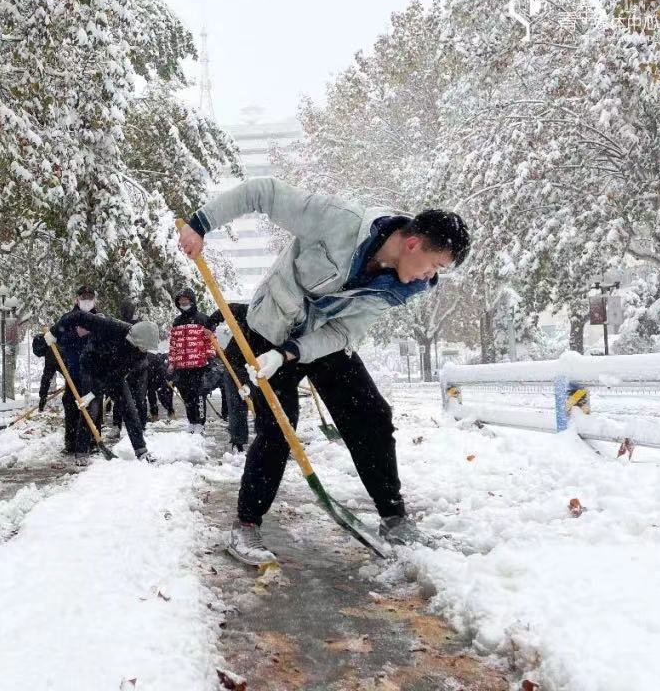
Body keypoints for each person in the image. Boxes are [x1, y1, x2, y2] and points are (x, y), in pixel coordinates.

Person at [178, 178, 471, 563]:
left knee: (371, 414)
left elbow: (344, 330)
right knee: (279, 427)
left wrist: (292, 353)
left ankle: (394, 519)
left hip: (318, 341)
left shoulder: (398, 286)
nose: (429, 277)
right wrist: (199, 224)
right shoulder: (338, 221)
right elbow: (262, 192)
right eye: (434, 266)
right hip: (270, 328)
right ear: (413, 244)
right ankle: (246, 525)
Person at [45, 309, 161, 461]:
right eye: (144, 346)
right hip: (91, 367)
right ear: (137, 338)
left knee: (129, 408)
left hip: (112, 372)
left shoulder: (139, 355)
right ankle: (81, 452)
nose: (145, 350)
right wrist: (54, 332)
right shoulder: (111, 326)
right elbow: (78, 316)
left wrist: (94, 392)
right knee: (91, 410)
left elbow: (116, 376)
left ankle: (141, 451)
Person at [54, 285, 99, 456]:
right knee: (72, 407)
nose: (86, 300)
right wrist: (76, 334)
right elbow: (60, 340)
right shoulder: (68, 318)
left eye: (89, 297)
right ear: (77, 299)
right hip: (73, 371)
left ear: (94, 300)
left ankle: (93, 440)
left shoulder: (100, 319)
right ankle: (71, 442)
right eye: (83, 297)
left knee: (93, 407)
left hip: (94, 371)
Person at [203, 302, 252, 454]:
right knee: (236, 404)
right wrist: (211, 323)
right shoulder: (251, 311)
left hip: (261, 366)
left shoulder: (285, 321)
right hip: (235, 364)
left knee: (266, 405)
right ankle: (238, 442)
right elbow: (228, 309)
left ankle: (276, 440)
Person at [168, 288, 214, 434]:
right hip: (182, 366)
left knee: (199, 394)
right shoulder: (177, 321)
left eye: (185, 299)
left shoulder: (204, 319)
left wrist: (210, 358)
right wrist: (172, 362)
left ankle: (200, 423)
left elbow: (211, 341)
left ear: (192, 299)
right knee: (186, 395)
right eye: (180, 300)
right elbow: (173, 345)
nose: (183, 302)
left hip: (199, 365)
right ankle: (192, 422)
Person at [108, 299, 150, 440]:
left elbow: (144, 347)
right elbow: (114, 346)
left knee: (139, 398)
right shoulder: (117, 324)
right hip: (121, 367)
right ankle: (116, 426)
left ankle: (142, 426)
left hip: (139, 367)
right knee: (120, 399)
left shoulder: (139, 325)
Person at [30, 333, 59, 412]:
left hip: (80, 377)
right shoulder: (56, 342)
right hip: (80, 375)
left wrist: (43, 397)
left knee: (68, 400)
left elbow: (46, 377)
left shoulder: (52, 351)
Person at [146, 352, 175, 421]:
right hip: (150, 378)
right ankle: (154, 414)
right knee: (151, 396)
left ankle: (170, 412)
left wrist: (166, 377)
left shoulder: (151, 356)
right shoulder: (146, 355)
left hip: (159, 376)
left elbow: (161, 366)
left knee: (162, 396)